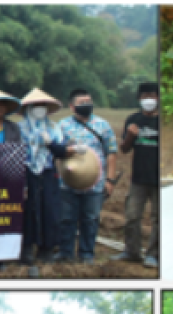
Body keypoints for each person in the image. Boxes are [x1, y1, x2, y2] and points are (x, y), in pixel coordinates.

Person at [52, 89, 117, 265]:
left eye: (88, 101)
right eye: (81, 102)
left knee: (91, 218)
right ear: (72, 106)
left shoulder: (103, 125)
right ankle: (66, 252)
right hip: (68, 181)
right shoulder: (62, 126)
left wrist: (110, 180)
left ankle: (87, 253)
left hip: (95, 183)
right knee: (66, 218)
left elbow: (111, 153)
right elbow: (55, 150)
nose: (86, 104)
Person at [16, 89, 65, 272]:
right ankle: (26, 248)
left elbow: (61, 151)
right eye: (35, 106)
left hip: (48, 172)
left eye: (42, 106)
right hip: (26, 171)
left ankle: (46, 248)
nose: (39, 109)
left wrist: (50, 143)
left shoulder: (54, 128)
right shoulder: (19, 128)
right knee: (28, 209)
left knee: (50, 210)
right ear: (28, 108)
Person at [115, 82, 159, 268]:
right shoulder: (133, 119)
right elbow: (124, 149)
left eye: (152, 95)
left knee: (158, 218)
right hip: (138, 178)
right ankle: (131, 251)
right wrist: (131, 135)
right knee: (132, 215)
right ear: (139, 99)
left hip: (158, 179)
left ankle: (153, 255)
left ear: (158, 98)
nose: (148, 100)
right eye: (144, 96)